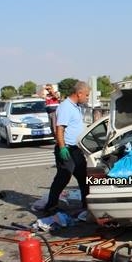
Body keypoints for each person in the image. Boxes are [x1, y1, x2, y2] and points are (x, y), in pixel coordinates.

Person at [42, 81, 91, 215]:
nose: (87, 98)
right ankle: (51, 206)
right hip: (66, 149)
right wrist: (62, 148)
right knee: (63, 177)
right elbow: (60, 128)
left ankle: (87, 205)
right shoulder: (65, 107)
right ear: (79, 93)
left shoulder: (75, 106)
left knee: (84, 177)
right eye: (86, 95)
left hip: (76, 149)